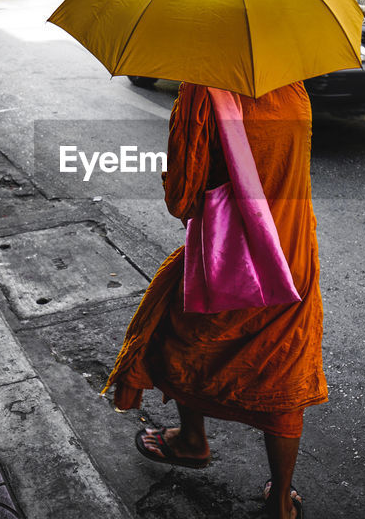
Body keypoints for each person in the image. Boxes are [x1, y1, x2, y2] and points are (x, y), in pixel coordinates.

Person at [104, 81, 325, 519]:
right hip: (292, 250)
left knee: (177, 337)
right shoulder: (291, 84)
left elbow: (183, 197)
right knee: (282, 367)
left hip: (232, 257)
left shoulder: (201, 91)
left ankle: (191, 441)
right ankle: (281, 502)